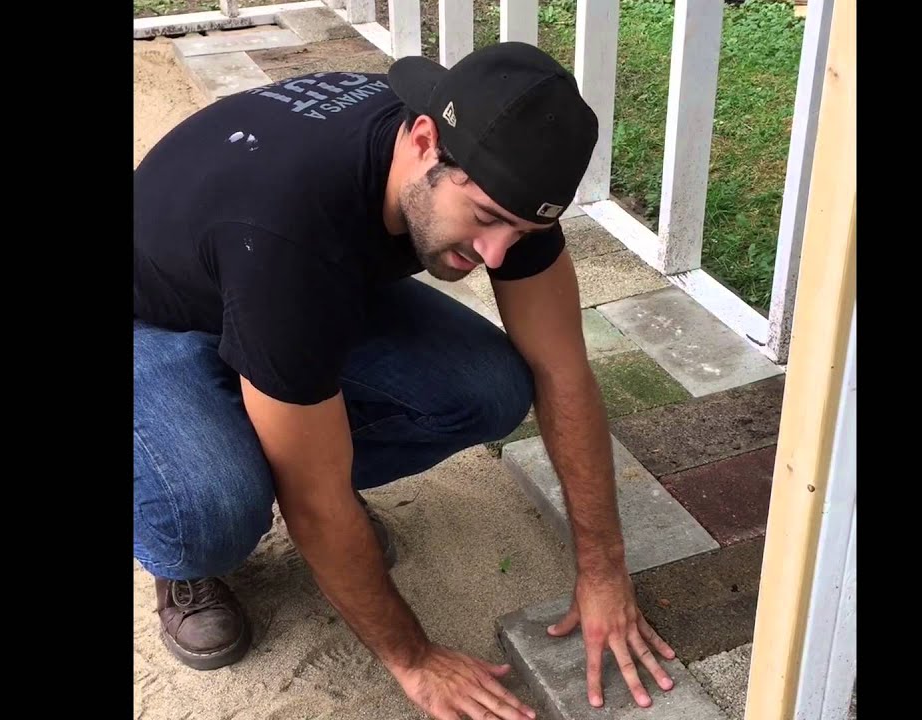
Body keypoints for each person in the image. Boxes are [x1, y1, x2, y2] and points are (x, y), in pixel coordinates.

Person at [133, 41, 677, 718]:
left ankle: (278, 410)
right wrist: (414, 659)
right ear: (423, 141)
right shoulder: (289, 235)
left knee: (490, 389)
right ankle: (186, 553)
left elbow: (562, 370)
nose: (495, 255)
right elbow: (315, 499)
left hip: (276, 289)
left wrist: (603, 571)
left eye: (520, 231)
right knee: (212, 511)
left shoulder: (498, 166)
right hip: (156, 319)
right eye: (484, 219)